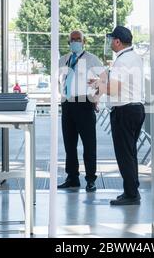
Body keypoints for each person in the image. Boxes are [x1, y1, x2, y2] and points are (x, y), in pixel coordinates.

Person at [90, 26, 145, 205]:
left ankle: (131, 194)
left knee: (124, 155)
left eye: (111, 40)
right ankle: (131, 190)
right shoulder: (134, 57)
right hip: (136, 109)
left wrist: (98, 85)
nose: (109, 43)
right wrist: (102, 82)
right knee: (130, 153)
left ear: (117, 41)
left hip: (124, 111)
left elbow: (115, 88)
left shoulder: (122, 61)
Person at [57, 30, 103, 192]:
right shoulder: (63, 60)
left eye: (78, 39)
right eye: (72, 39)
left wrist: (96, 98)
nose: (75, 42)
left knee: (89, 144)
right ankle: (72, 178)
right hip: (67, 104)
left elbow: (104, 79)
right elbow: (59, 81)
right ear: (68, 42)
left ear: (84, 42)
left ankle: (91, 179)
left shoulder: (91, 59)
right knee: (69, 144)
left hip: (84, 103)